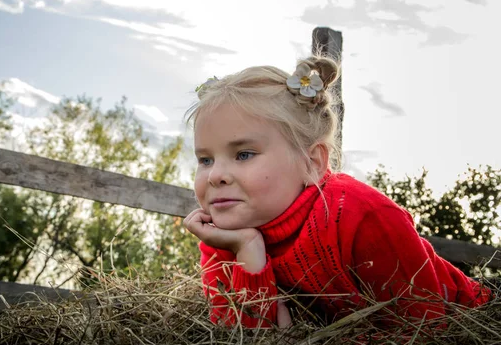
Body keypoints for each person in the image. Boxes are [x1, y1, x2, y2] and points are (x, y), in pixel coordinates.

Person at [183, 56, 490, 329]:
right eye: (205, 159)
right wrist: (248, 249)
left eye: (244, 154)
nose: (216, 176)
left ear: (312, 163)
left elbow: (427, 330)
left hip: (476, 318)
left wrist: (301, 344)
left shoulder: (360, 215)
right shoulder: (223, 233)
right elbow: (236, 340)